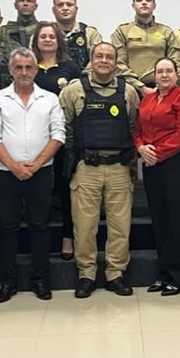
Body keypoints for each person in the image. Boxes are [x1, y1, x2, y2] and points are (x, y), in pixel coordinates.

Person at [59, 43, 140, 298]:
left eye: (109, 57)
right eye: (99, 56)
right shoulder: (74, 91)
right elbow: (66, 129)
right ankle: (86, 274)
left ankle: (115, 274)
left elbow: (132, 126)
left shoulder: (127, 91)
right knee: (84, 227)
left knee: (120, 226)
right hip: (86, 168)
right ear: (91, 60)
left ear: (116, 62)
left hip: (118, 167)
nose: (104, 60)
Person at [0, 48, 66, 303]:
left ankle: (40, 280)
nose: (23, 72)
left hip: (41, 172)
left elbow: (59, 134)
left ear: (35, 70)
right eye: (18, 68)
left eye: (28, 68)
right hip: (6, 174)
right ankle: (8, 282)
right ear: (11, 70)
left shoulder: (50, 98)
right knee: (7, 228)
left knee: (40, 227)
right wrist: (14, 166)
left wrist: (35, 164)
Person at [134, 57, 180, 295]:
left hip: (178, 163)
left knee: (177, 221)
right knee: (159, 220)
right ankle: (163, 274)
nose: (164, 75)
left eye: (168, 71)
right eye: (159, 71)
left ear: (176, 74)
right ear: (154, 75)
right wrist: (140, 147)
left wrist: (156, 153)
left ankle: (179, 277)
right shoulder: (148, 99)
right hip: (153, 164)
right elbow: (137, 129)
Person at [31, 20, 82, 259]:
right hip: (35, 136)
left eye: (52, 36)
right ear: (36, 41)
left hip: (64, 137)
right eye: (43, 37)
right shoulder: (29, 67)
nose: (48, 40)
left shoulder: (70, 68)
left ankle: (67, 237)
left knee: (65, 189)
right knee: (39, 190)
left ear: (58, 40)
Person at [111, 0, 180, 95]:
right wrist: (140, 87)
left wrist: (163, 87)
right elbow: (118, 64)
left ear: (154, 5)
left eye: (148, 0)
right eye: (139, 0)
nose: (144, 2)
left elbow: (177, 64)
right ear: (133, 5)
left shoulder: (166, 32)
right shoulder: (122, 31)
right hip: (130, 90)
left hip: (163, 90)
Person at [51, 0, 103, 70]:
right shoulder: (43, 35)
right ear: (53, 10)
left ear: (76, 9)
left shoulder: (90, 33)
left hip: (84, 80)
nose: (65, 8)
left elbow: (98, 60)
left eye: (69, 4)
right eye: (60, 5)